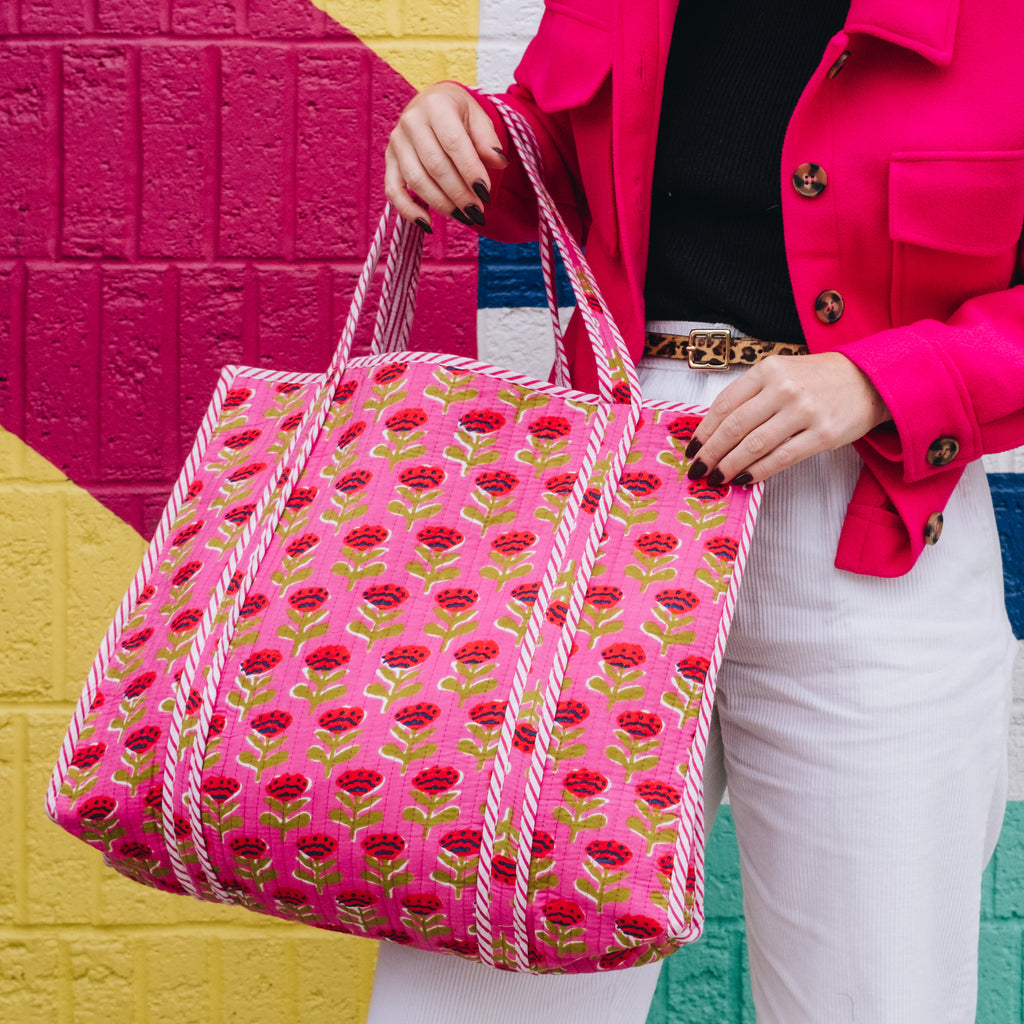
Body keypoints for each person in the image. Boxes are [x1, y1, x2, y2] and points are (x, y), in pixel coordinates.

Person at [371, 2, 1024, 1021]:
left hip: (878, 516)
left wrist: (886, 378)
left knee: (876, 995)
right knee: (481, 984)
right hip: (602, 506)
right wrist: (471, 135)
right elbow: (558, 149)